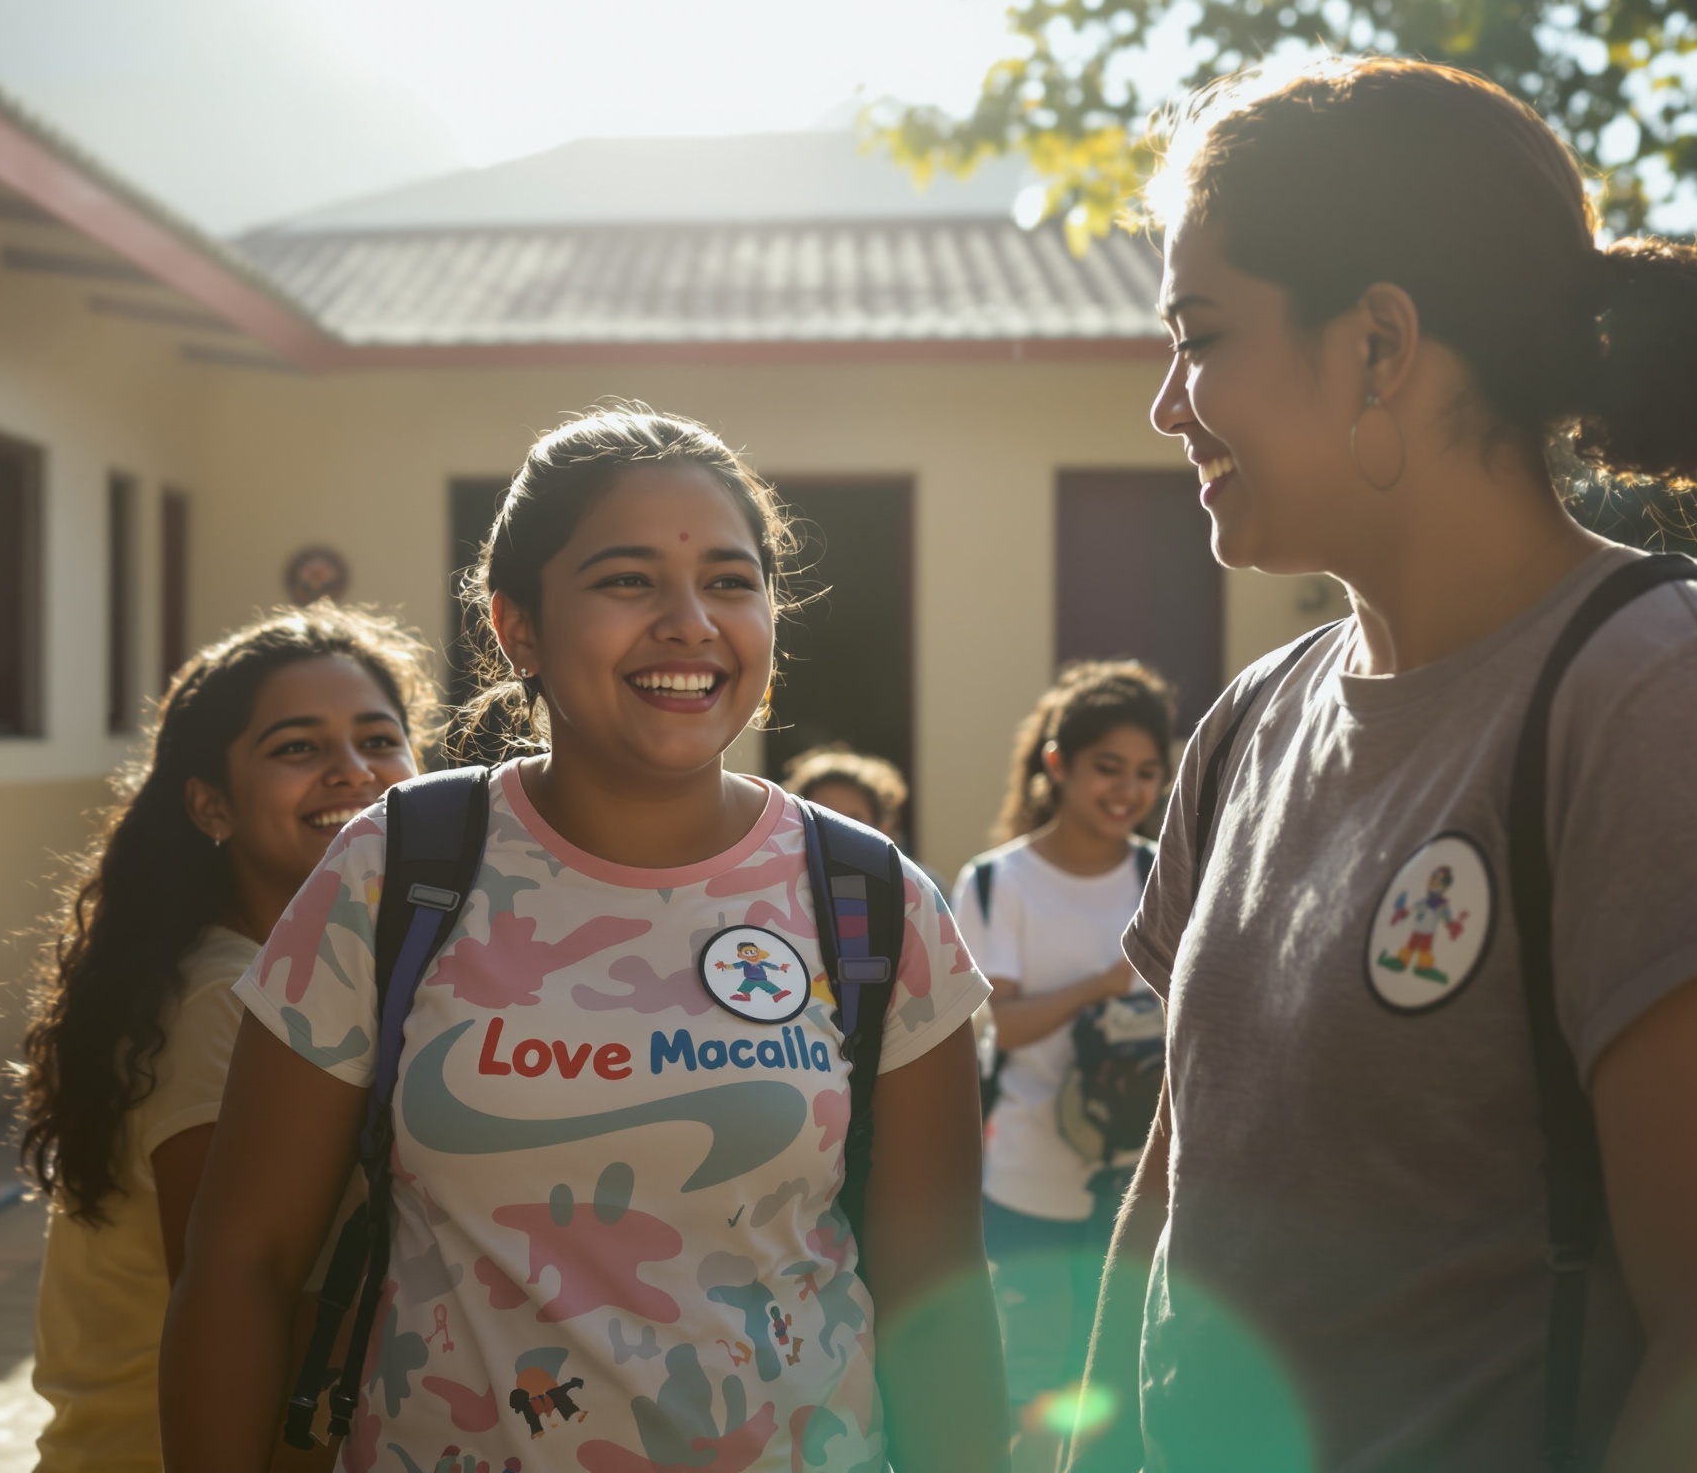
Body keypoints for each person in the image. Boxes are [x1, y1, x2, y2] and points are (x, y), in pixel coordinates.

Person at [1075, 59, 1697, 1473]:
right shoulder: (1249, 727)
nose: (1168, 405)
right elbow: (1175, 1189)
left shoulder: (1671, 695)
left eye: (1200, 336)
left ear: (1381, 345)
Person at [162, 407, 1008, 1473]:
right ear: (517, 625)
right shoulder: (396, 873)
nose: (690, 621)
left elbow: (939, 1287)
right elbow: (241, 1262)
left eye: (731, 582)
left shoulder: (872, 901)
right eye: (627, 580)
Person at [17, 603, 440, 1473]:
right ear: (211, 805)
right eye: (298, 748)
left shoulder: (339, 975)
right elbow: (244, 1316)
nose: (354, 774)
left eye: (379, 739)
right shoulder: (229, 1001)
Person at [952, 661, 1172, 1464]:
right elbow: (1000, 1026)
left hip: (1145, 1174)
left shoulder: (1162, 872)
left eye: (1147, 773)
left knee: (1125, 1382)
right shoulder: (999, 881)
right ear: (1058, 766)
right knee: (1037, 1379)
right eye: (1107, 768)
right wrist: (1106, 985)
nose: (1128, 790)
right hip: (1029, 1176)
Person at [781, 744, 910, 843]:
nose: (837, 832)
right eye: (822, 819)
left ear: (883, 828)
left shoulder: (908, 877)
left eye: (853, 821)